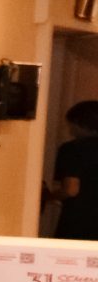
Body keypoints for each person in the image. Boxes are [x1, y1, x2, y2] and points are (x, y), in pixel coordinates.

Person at [50, 100, 98, 240]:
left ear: (79, 122)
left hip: (80, 221)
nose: (70, 129)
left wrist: (49, 196)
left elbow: (70, 189)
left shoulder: (72, 149)